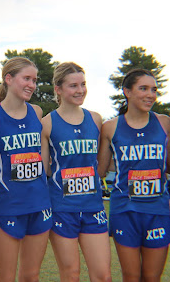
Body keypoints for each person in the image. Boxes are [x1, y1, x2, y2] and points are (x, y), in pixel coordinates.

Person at [98, 68, 170, 282]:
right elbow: (101, 170)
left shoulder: (164, 123)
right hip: (125, 210)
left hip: (157, 210)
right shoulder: (110, 127)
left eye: (154, 89)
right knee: (131, 277)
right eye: (143, 88)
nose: (150, 94)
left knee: (151, 277)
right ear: (127, 92)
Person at [41, 62, 112, 281]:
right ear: (58, 89)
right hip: (62, 208)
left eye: (83, 84)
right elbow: (45, 169)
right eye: (73, 85)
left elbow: (101, 165)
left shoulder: (96, 119)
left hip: (93, 206)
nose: (80, 90)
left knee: (103, 275)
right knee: (70, 273)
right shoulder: (47, 124)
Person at [0, 56, 52, 281]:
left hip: (39, 204)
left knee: (31, 276)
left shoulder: (36, 112)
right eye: (26, 79)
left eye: (34, 80)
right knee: (5, 277)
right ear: (8, 78)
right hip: (8, 205)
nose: (32, 85)